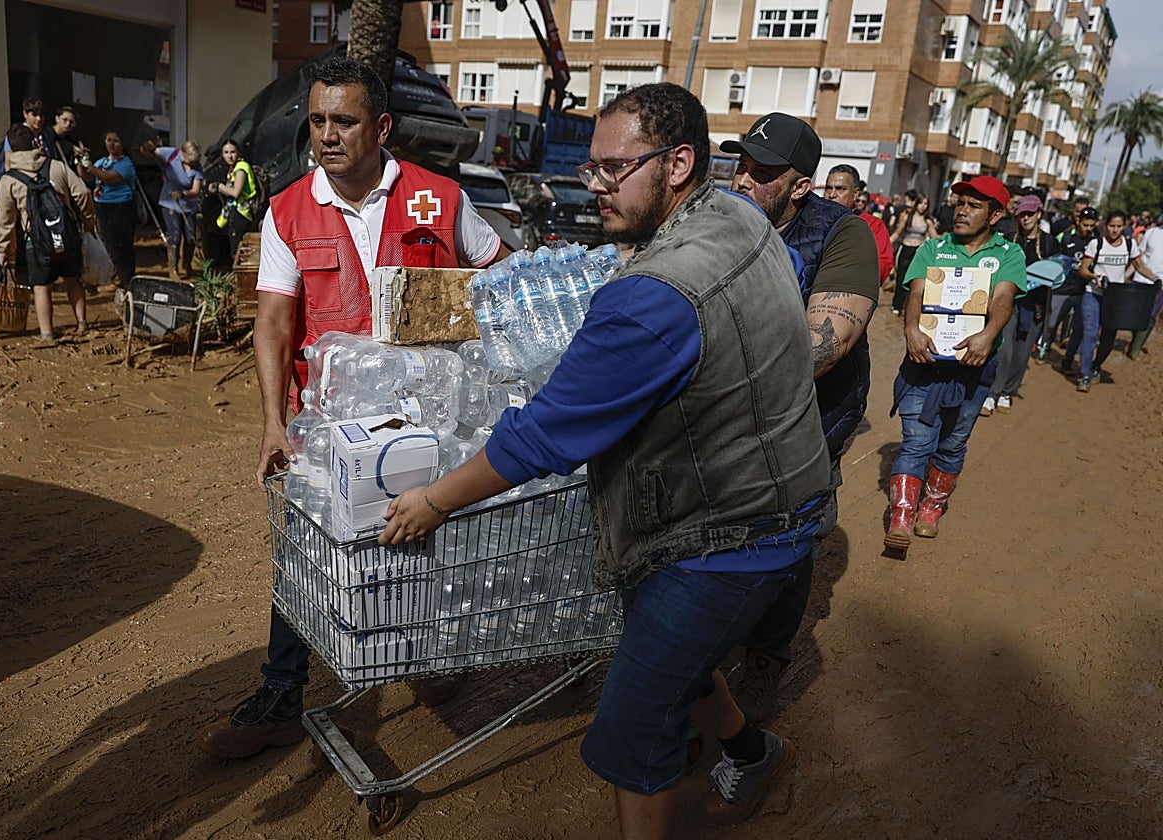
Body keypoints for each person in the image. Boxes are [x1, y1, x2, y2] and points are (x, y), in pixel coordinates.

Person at [380, 82, 830, 837]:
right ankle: (752, 751)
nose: (595, 187)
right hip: (785, 496)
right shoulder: (740, 217)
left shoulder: (653, 295)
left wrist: (435, 500)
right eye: (590, 168)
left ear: (679, 163)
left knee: (632, 726)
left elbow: (544, 435)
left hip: (724, 535)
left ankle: (736, 765)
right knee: (676, 664)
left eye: (614, 169)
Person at [196, 55, 507, 760]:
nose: (326, 135)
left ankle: (433, 660)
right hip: (327, 427)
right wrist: (274, 423)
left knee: (430, 543)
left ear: (382, 126)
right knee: (302, 552)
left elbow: (503, 278)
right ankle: (282, 691)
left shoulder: (439, 199)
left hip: (429, 425)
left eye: (344, 120)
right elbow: (274, 324)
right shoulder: (289, 210)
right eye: (317, 120)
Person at [718, 113, 878, 721]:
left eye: (763, 174)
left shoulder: (841, 234)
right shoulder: (719, 222)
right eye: (741, 166)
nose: (744, 181)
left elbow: (825, 346)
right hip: (720, 418)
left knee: (788, 535)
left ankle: (765, 658)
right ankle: (703, 667)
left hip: (810, 419)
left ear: (799, 186)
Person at [884, 176, 1026, 554]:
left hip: (975, 366)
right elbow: (916, 292)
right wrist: (911, 328)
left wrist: (990, 332)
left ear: (996, 215)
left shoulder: (1009, 255)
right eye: (959, 202)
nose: (961, 210)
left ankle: (931, 507)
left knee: (953, 442)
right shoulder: (933, 248)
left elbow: (1003, 296)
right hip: (924, 362)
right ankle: (901, 518)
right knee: (916, 441)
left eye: (974, 205)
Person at [0, 124, 95, 342]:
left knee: (41, 288)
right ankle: (82, 323)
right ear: (34, 143)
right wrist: (88, 221)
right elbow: (83, 193)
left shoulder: (9, 179)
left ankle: (47, 334)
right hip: (66, 235)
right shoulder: (56, 166)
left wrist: (2, 250)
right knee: (73, 280)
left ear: (11, 149)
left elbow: (4, 220)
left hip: (36, 242)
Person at [983, 194, 1060, 415]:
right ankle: (992, 392)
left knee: (1022, 352)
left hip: (1034, 306)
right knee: (1003, 348)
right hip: (1007, 301)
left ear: (1039, 214)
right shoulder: (1008, 238)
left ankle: (1008, 391)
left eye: (1030, 213)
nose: (1025, 218)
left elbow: (1057, 272)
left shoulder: (1049, 243)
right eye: (1022, 214)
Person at [1073, 209, 1159, 391]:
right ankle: (1085, 374)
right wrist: (1094, 276)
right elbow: (1083, 270)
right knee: (1090, 335)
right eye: (1112, 226)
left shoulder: (1129, 246)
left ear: (1124, 226)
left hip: (1116, 299)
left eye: (1119, 226)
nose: (1115, 230)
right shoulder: (1096, 244)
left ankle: (1097, 365)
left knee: (1108, 339)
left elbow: (1139, 266)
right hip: (1093, 294)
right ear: (1105, 225)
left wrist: (1155, 279)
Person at [142, 138, 203, 279]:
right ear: (183, 153)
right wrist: (148, 147)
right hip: (170, 204)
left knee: (190, 238)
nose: (192, 163)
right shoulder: (171, 154)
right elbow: (149, 153)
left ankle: (186, 265)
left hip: (188, 205)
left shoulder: (197, 168)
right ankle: (173, 269)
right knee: (175, 236)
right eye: (190, 160)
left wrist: (183, 194)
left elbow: (196, 190)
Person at [84, 130, 137, 287]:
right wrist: (81, 164)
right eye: (108, 140)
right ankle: (114, 276)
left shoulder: (125, 163)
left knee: (121, 244)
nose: (112, 144)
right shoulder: (102, 161)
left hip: (121, 207)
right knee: (108, 242)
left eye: (116, 141)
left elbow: (108, 178)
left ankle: (127, 279)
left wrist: (90, 166)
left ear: (123, 144)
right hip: (102, 205)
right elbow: (88, 177)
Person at [1046, 206, 1099, 364]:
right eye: (1085, 225)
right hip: (1062, 287)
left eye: (1091, 225)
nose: (1088, 229)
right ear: (1079, 221)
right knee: (1052, 323)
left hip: (1083, 291)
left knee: (1078, 329)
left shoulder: (1096, 242)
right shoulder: (1066, 237)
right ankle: (1044, 349)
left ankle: (1068, 360)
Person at [824, 163, 894, 282]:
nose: (832, 195)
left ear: (856, 193)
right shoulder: (812, 218)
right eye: (829, 188)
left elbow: (883, 264)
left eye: (840, 189)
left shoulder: (873, 225)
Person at [207, 139, 256, 262]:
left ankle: (240, 278)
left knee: (238, 249)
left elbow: (236, 192)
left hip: (242, 213)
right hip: (237, 211)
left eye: (233, 152)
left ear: (238, 152)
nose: (229, 156)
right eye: (226, 152)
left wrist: (219, 187)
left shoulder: (241, 168)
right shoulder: (232, 168)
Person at [890, 194, 939, 315]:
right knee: (901, 277)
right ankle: (897, 305)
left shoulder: (928, 221)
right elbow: (897, 233)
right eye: (921, 203)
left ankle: (911, 307)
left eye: (926, 204)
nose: (923, 206)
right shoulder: (908, 218)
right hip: (905, 248)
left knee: (916, 280)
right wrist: (885, 244)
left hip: (918, 251)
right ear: (916, 204)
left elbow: (935, 237)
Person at [1128, 213, 1163, 358]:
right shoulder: (1152, 233)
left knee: (1150, 316)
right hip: (1141, 279)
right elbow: (1139, 257)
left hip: (1160, 283)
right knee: (1133, 312)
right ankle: (1135, 338)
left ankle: (1135, 348)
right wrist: (1126, 275)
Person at [0, 97, 49, 182]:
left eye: (41, 115)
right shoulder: (16, 134)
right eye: (34, 115)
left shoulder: (46, 135)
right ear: (25, 114)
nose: (39, 119)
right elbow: (8, 164)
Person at [43, 105, 83, 175]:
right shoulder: (45, 134)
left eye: (71, 122)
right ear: (57, 119)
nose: (68, 124)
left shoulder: (71, 141)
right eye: (65, 120)